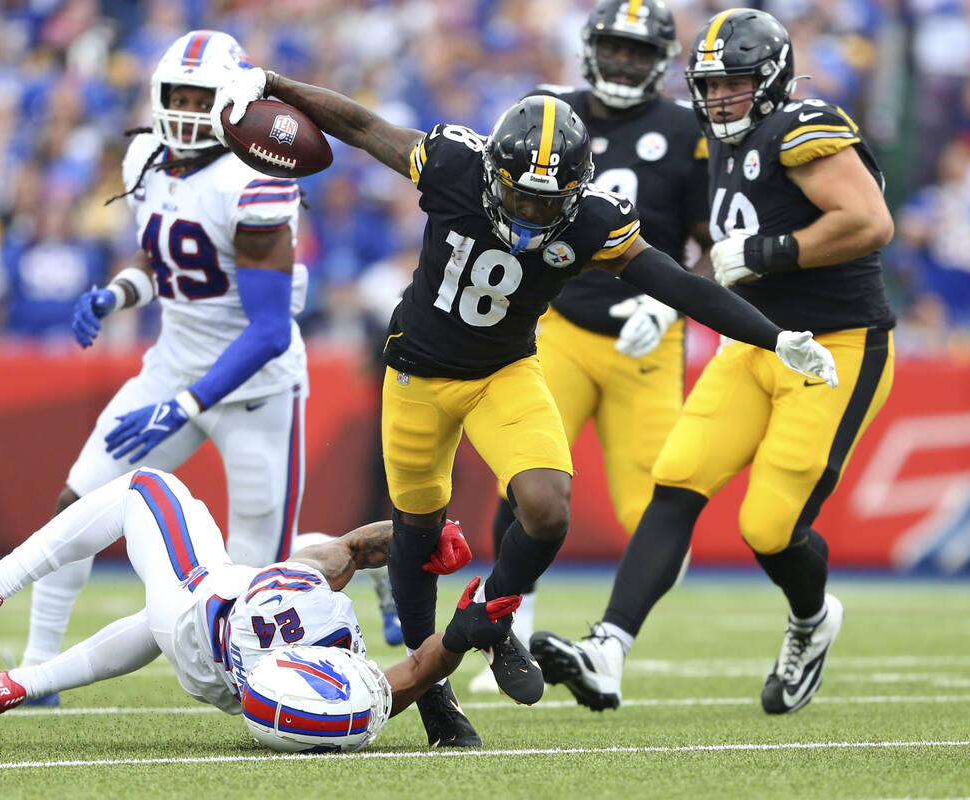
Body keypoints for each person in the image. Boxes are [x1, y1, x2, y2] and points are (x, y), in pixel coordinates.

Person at [211, 62, 838, 746]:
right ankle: (433, 699)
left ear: (575, 190)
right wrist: (272, 82)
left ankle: (494, 610)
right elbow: (361, 126)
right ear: (493, 176)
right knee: (416, 540)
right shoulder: (452, 163)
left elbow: (677, 286)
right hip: (416, 376)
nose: (534, 214)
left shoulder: (596, 217)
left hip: (504, 371)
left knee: (545, 507)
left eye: (549, 202)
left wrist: (774, 337)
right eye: (523, 198)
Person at [530, 8, 896, 717]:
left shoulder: (800, 127)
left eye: (735, 84)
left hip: (834, 347)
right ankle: (608, 649)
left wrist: (768, 252)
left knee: (768, 527)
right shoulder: (715, 138)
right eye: (711, 84)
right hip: (757, 341)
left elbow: (870, 220)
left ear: (771, 80)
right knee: (677, 480)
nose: (721, 97)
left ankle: (812, 620)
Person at [12, 30, 317, 704]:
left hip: (257, 391)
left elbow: (269, 331)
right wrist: (120, 292)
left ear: (231, 102)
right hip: (171, 365)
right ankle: (37, 667)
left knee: (254, 573)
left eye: (197, 96)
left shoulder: (256, 177)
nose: (181, 109)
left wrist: (183, 405)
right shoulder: (146, 155)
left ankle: (276, 675)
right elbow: (171, 256)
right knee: (79, 501)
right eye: (173, 94)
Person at [469, 0, 712, 694]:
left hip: (647, 339)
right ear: (591, 49)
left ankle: (608, 644)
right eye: (616, 47)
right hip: (563, 325)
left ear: (659, 59)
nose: (626, 61)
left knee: (658, 513)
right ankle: (512, 626)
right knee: (523, 478)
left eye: (639, 52)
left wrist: (667, 307)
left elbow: (711, 244)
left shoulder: (683, 130)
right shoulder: (548, 118)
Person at [0, 469, 515, 746]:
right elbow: (411, 672)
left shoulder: (308, 604)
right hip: (215, 673)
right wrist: (459, 631)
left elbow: (350, 550)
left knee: (147, 488)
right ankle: (22, 683)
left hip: (202, 608)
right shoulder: (350, 686)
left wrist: (414, 539)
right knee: (153, 623)